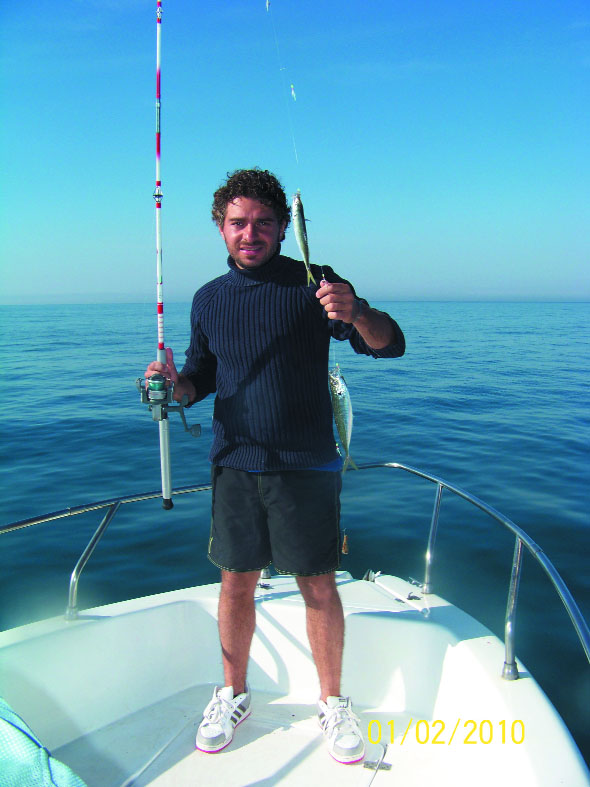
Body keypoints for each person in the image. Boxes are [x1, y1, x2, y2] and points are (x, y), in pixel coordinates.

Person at [144, 168, 405, 764]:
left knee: (319, 584)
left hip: (307, 464)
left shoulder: (316, 281)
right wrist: (175, 386)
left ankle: (332, 701)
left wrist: (356, 310)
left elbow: (389, 345)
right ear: (220, 228)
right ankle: (233, 693)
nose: (250, 233)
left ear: (285, 228)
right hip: (234, 463)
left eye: (264, 222)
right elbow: (202, 375)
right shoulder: (209, 298)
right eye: (238, 223)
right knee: (236, 581)